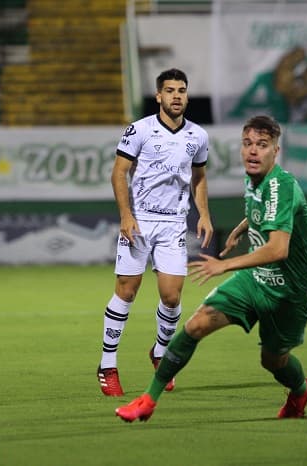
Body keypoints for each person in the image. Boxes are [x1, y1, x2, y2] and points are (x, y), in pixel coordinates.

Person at [115, 114, 307, 420]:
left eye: (262, 145)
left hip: (291, 292)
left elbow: (278, 249)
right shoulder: (256, 181)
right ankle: (147, 400)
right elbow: (265, 210)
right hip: (255, 282)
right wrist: (241, 228)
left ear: (275, 151)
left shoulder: (282, 185)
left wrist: (225, 265)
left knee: (273, 361)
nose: (253, 151)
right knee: (196, 325)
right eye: (248, 143)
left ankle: (301, 390)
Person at [96, 68, 213, 396]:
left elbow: (199, 177)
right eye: (170, 90)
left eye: (182, 90)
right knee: (127, 290)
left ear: (187, 96)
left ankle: (160, 352)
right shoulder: (140, 130)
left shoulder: (198, 137)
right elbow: (119, 173)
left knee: (172, 296)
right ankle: (107, 364)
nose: (177, 95)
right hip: (140, 221)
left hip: (174, 223)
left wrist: (203, 213)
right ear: (158, 96)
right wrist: (126, 215)